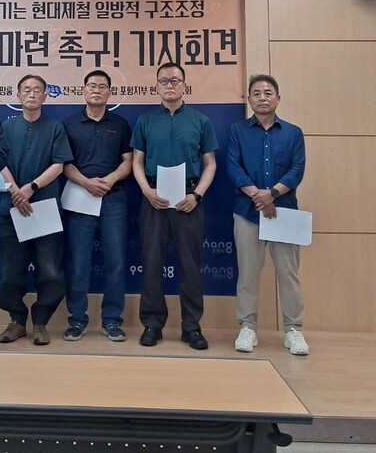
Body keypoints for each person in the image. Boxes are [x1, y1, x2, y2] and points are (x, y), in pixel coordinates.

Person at [130, 62, 217, 350]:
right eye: (164, 81)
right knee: (152, 263)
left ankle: (191, 327)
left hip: (188, 199)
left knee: (190, 266)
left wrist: (198, 195)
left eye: (175, 80)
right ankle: (152, 324)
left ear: (184, 85)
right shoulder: (145, 121)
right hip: (154, 198)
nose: (169, 85)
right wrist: (147, 191)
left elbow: (210, 164)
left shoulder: (200, 121)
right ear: (156, 86)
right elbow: (137, 161)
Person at [226, 73, 308, 356]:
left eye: (268, 93)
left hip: (284, 213)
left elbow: (297, 169)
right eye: (257, 93)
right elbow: (233, 167)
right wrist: (258, 196)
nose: (262, 98)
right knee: (248, 274)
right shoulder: (237, 131)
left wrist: (271, 193)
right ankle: (247, 327)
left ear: (278, 98)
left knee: (289, 274)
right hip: (246, 212)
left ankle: (293, 330)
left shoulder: (293, 132)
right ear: (249, 99)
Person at [0, 74, 73, 346]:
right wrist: (15, 191)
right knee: (10, 273)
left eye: (37, 90)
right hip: (11, 208)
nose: (31, 94)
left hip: (44, 209)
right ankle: (17, 320)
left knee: (50, 271)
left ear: (45, 96)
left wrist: (32, 187)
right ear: (18, 95)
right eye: (26, 90)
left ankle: (41, 322)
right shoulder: (5, 127)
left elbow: (59, 164)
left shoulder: (55, 128)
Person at [61, 70, 133, 342]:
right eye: (92, 86)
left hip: (113, 197)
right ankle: (77, 320)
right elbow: (64, 163)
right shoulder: (69, 124)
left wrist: (110, 179)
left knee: (116, 261)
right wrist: (86, 182)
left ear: (110, 92)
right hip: (80, 196)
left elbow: (129, 161)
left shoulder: (121, 124)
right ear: (83, 90)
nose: (96, 90)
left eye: (102, 87)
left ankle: (112, 320)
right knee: (78, 262)